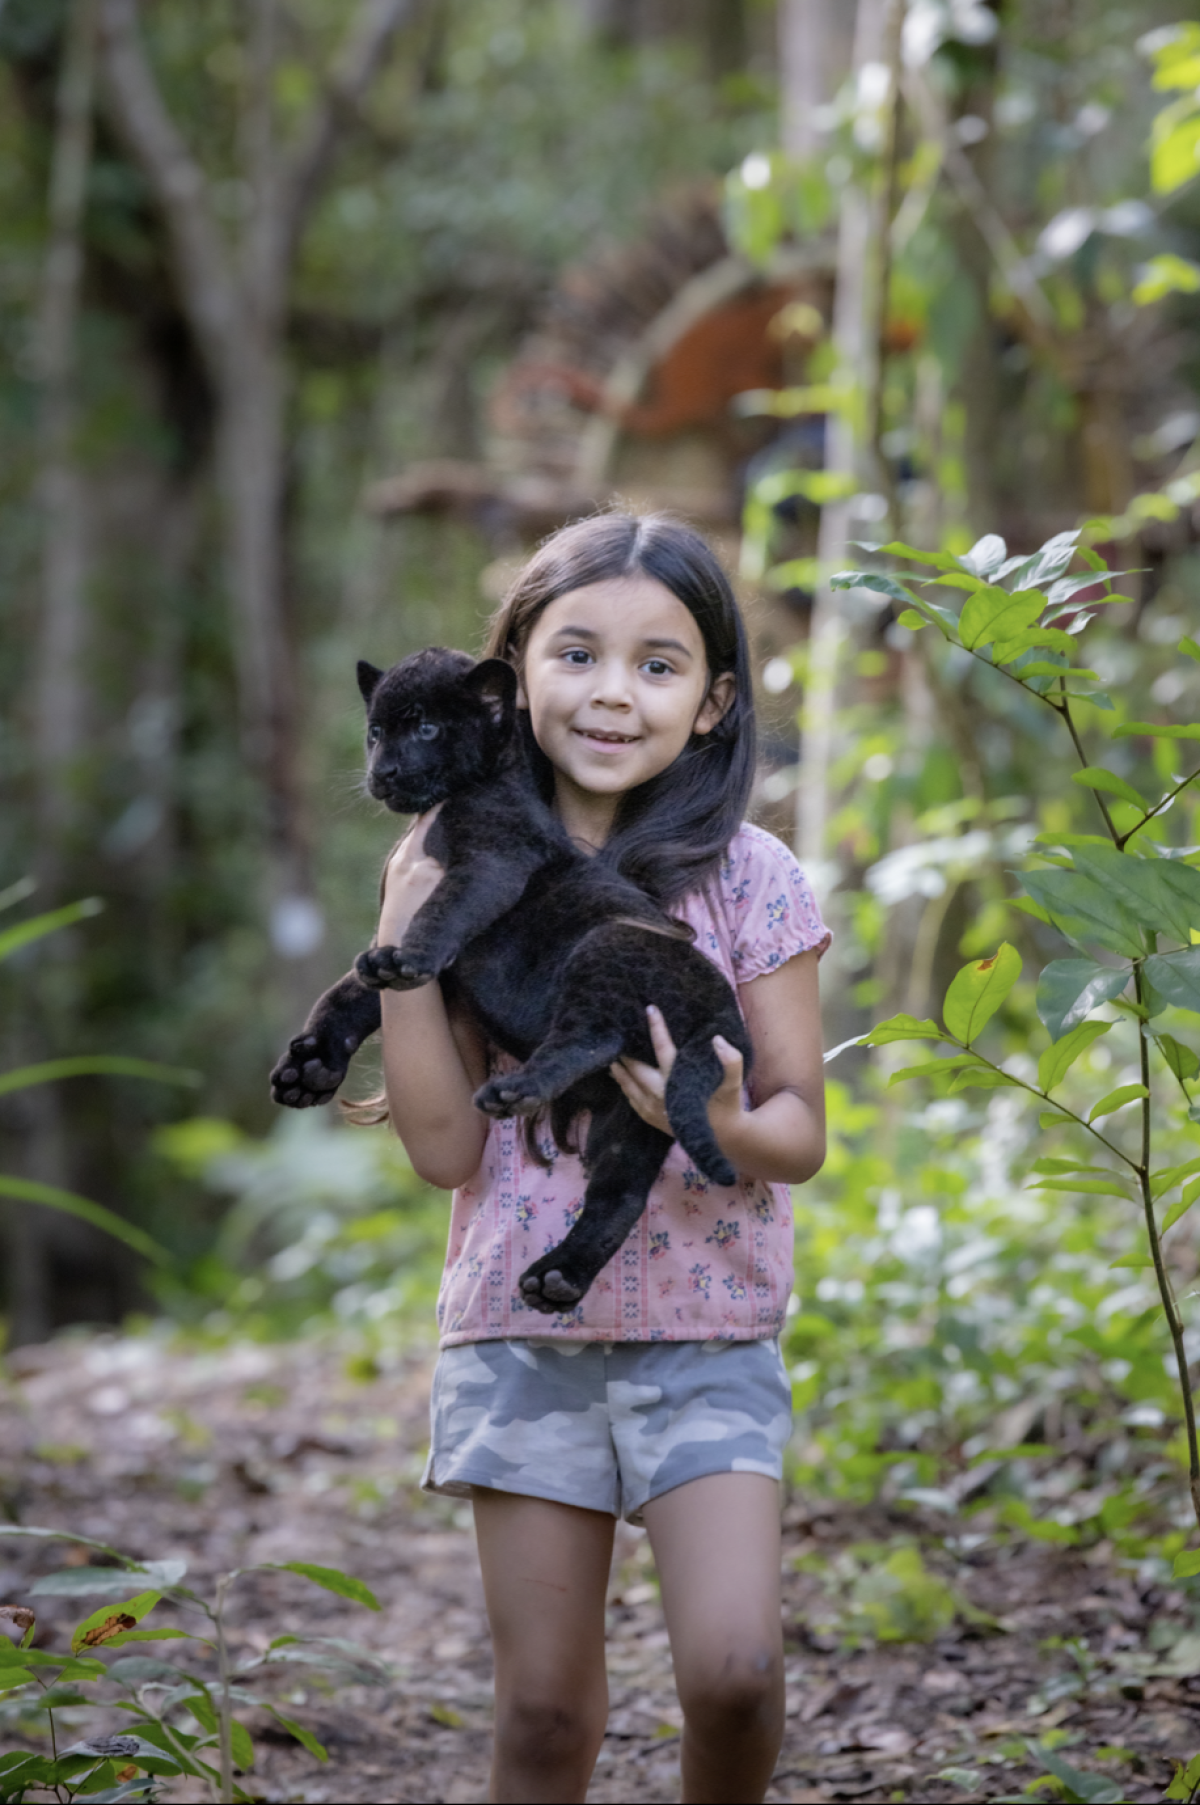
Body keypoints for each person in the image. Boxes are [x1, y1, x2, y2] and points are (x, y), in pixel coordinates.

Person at [374, 512, 829, 1805]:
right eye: (575, 653)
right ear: (510, 674)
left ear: (714, 701)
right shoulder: (452, 869)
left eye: (659, 664)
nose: (613, 693)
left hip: (710, 1339)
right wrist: (405, 940)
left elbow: (800, 1131)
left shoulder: (753, 881)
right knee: (542, 1716)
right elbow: (448, 1148)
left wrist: (727, 1120)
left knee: (736, 1670)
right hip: (523, 1340)